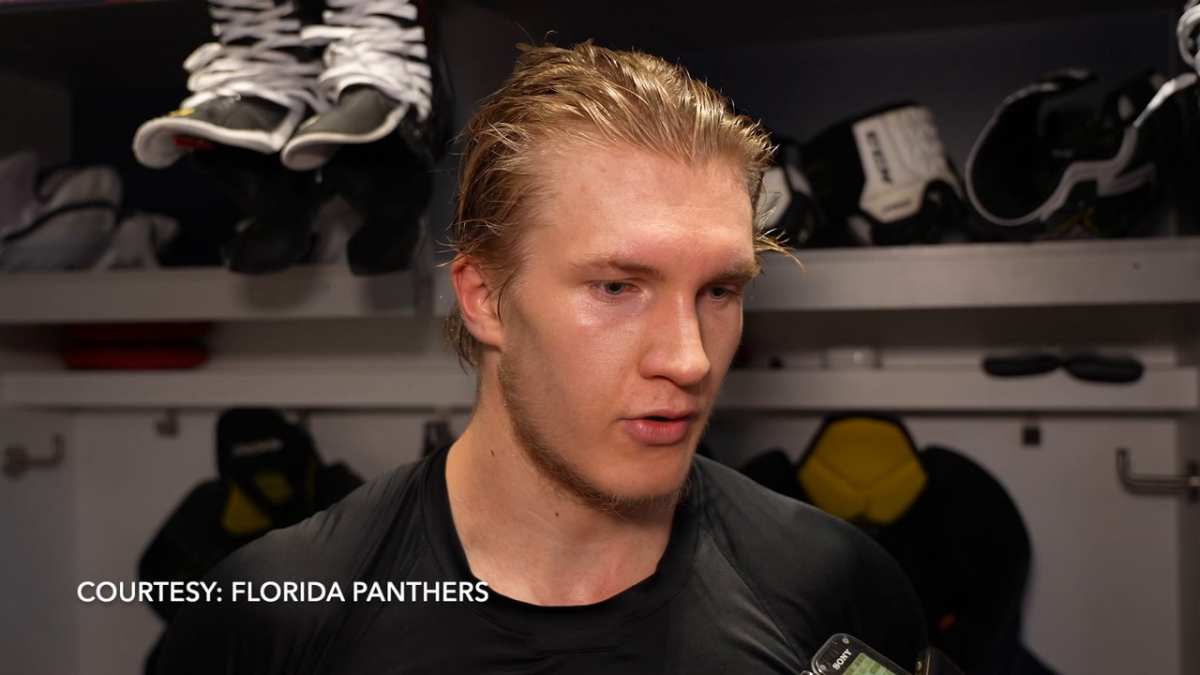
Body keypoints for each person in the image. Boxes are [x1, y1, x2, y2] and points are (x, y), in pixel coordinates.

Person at [153, 41, 928, 674]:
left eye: (720, 291)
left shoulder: (836, 587)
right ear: (486, 296)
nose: (690, 360)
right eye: (619, 286)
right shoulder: (277, 613)